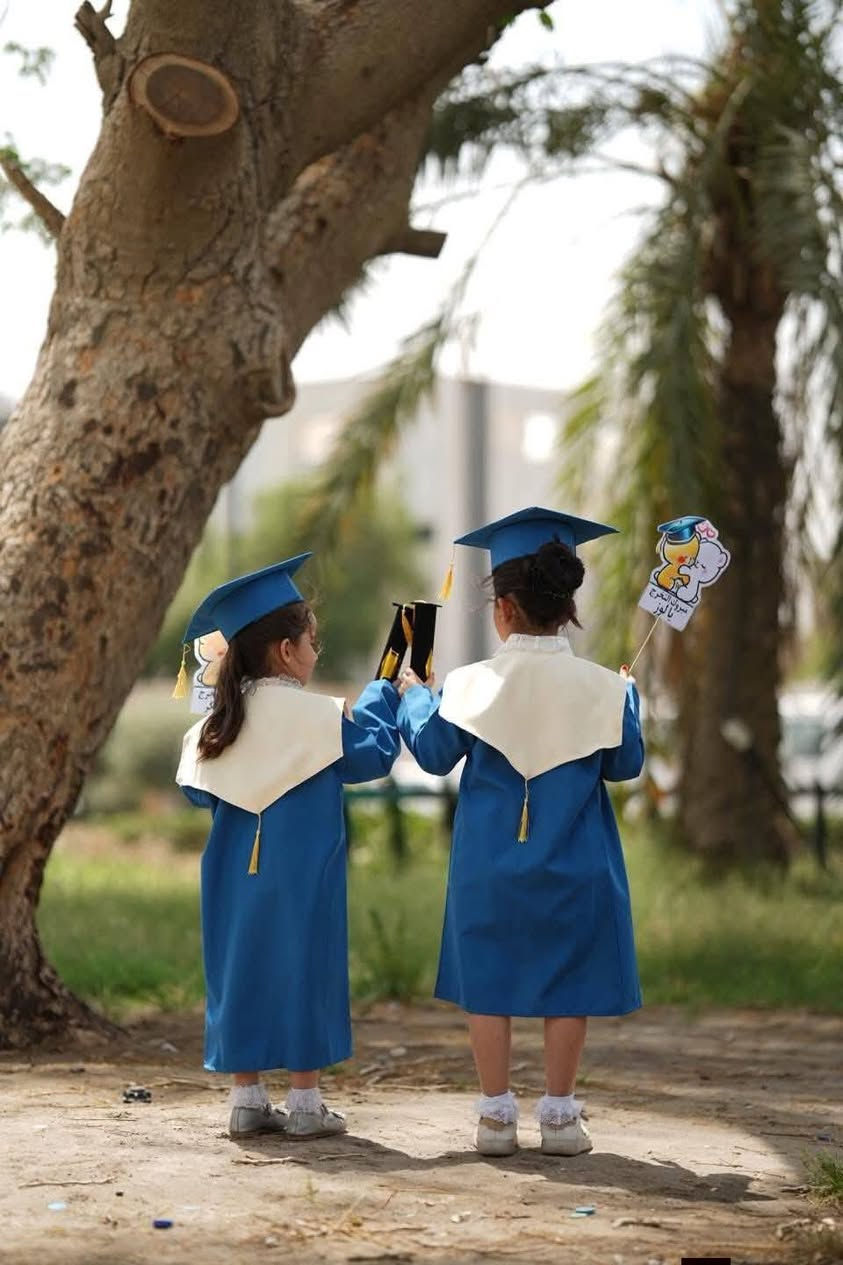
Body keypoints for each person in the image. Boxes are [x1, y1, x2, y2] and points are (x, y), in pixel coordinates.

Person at [396, 508, 644, 1157]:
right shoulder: (601, 688)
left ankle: (495, 1116)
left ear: (501, 607)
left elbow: (428, 752)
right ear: (567, 607)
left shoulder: (469, 684)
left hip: (489, 863)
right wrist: (628, 698)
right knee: (569, 984)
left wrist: (417, 694)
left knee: (491, 981)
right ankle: (559, 1116)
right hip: (575, 859)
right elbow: (625, 764)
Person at [175, 553, 400, 1140]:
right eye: (312, 640)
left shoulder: (214, 725)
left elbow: (198, 796)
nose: (316, 652)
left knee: (239, 966)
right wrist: (382, 693)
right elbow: (373, 754)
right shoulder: (318, 717)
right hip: (306, 874)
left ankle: (246, 1099)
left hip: (232, 877)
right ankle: (304, 1103)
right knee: (308, 966)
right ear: (285, 650)